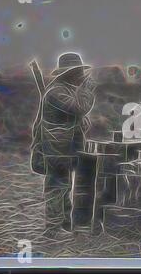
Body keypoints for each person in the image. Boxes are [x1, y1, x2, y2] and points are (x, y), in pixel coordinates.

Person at [32, 52, 95, 236]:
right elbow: (80, 107)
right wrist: (86, 90)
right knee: (57, 187)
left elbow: (74, 114)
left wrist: (79, 121)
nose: (82, 76)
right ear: (70, 73)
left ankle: (64, 223)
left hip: (63, 147)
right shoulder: (57, 91)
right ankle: (53, 227)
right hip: (56, 149)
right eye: (78, 72)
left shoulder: (63, 89)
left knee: (63, 185)